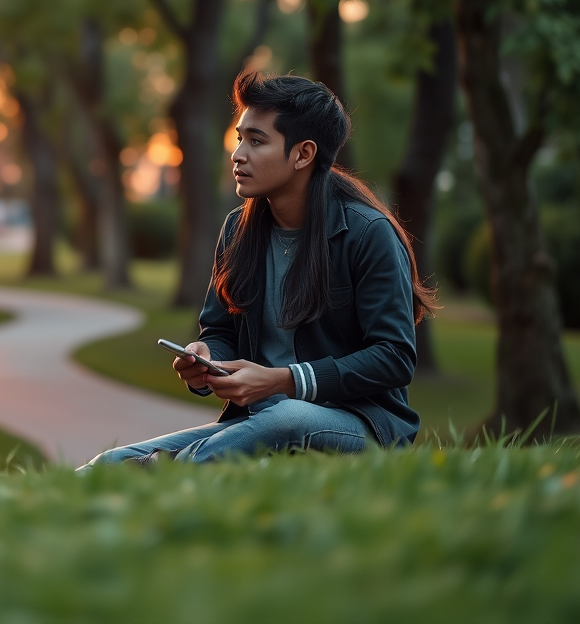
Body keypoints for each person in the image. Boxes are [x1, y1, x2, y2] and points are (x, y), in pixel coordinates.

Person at [80, 71, 436, 467]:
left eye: (257, 141)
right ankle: (122, 473)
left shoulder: (368, 233)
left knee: (287, 416)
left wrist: (283, 379)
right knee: (109, 463)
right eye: (239, 139)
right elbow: (220, 330)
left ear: (303, 154)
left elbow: (394, 357)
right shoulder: (238, 228)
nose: (238, 155)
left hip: (361, 425)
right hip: (262, 420)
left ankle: (167, 472)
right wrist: (206, 357)